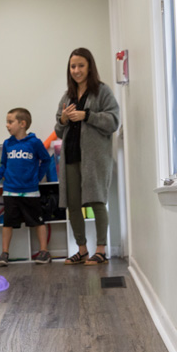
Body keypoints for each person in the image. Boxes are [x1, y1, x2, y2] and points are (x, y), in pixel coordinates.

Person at [53, 48, 120, 265]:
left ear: (89, 66)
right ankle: (81, 250)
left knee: (97, 200)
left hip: (94, 159)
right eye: (73, 66)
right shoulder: (67, 96)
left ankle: (101, 250)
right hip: (70, 157)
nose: (76, 70)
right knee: (73, 205)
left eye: (81, 65)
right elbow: (59, 130)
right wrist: (63, 120)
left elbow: (113, 122)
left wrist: (87, 115)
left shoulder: (103, 91)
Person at [0, 108, 52, 266]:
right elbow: (4, 165)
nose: (7, 125)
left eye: (10, 122)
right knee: (8, 223)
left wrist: (37, 177)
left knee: (38, 222)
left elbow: (46, 160)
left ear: (22, 124)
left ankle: (44, 252)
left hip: (30, 192)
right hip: (10, 191)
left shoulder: (35, 143)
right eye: (7, 122)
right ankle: (4, 253)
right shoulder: (7, 144)